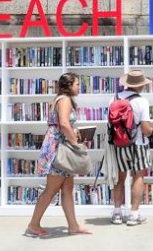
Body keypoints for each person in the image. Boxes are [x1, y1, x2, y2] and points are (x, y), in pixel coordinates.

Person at [27, 72, 91, 236]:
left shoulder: (62, 99)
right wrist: (75, 144)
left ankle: (73, 226)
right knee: (51, 189)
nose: (79, 87)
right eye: (77, 84)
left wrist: (73, 132)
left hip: (61, 148)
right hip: (59, 150)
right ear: (69, 85)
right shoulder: (64, 100)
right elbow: (63, 123)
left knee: (68, 188)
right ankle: (33, 225)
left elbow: (61, 124)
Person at [110, 69, 153, 226]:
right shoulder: (141, 101)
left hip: (119, 144)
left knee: (119, 178)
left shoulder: (114, 98)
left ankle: (116, 213)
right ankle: (134, 214)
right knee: (138, 176)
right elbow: (146, 129)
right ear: (140, 86)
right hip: (138, 145)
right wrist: (151, 132)